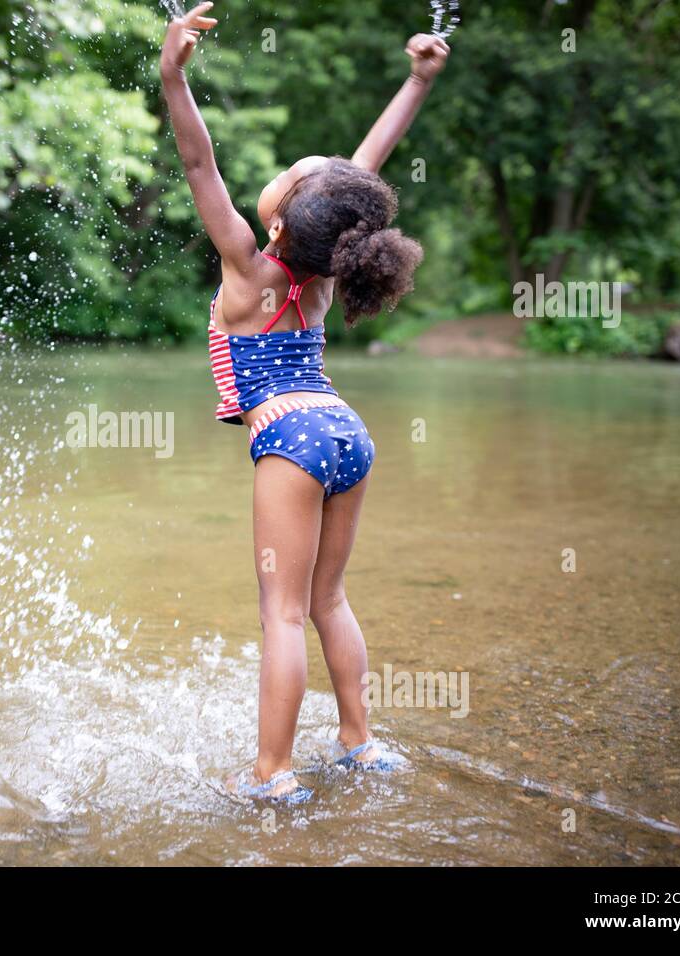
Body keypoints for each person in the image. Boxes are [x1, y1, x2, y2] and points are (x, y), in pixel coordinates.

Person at [160, 3, 450, 802]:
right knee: (328, 599)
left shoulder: (251, 267)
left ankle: (273, 774)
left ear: (280, 217)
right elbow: (370, 163)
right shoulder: (326, 267)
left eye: (292, 171)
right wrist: (418, 81)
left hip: (292, 435)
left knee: (281, 616)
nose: (292, 167)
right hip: (346, 432)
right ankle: (360, 744)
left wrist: (173, 76)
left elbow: (197, 163)